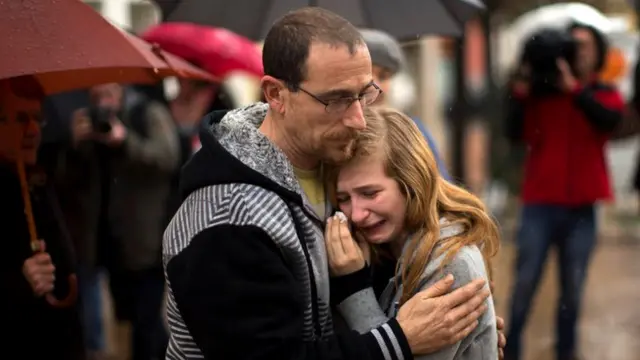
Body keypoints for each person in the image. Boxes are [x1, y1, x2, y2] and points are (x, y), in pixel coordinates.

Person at [163, 7, 499, 360]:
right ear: (275, 95)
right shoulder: (227, 216)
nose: (358, 119)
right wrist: (398, 341)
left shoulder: (331, 163)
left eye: (365, 93)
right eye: (337, 99)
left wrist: (468, 338)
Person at [323, 107, 500, 360]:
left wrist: (354, 289)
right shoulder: (379, 249)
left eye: (370, 193)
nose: (357, 214)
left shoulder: (451, 263)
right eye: (344, 198)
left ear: (411, 181)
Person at [504, 22, 624, 360]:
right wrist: (521, 85)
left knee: (573, 286)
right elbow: (513, 132)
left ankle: (566, 352)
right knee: (525, 282)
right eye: (574, 45)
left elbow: (609, 121)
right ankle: (509, 348)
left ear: (598, 51)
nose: (580, 51)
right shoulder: (540, 96)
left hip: (582, 207)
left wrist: (575, 89)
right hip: (539, 204)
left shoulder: (602, 91)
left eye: (586, 46)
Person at [54, 83, 179, 360]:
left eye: (108, 94)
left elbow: (168, 158)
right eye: (96, 96)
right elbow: (67, 183)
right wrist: (74, 144)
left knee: (146, 322)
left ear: (121, 91)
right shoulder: (86, 123)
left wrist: (125, 140)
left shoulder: (147, 114)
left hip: (146, 239)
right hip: (107, 241)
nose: (103, 103)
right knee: (125, 320)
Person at [0, 80, 85, 359]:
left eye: (38, 119)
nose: (34, 130)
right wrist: (18, 283)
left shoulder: (38, 181)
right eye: (21, 119)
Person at [359, 28, 451, 181]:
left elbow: (440, 188)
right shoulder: (338, 133)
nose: (376, 86)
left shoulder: (414, 132)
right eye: (367, 73)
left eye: (383, 76)